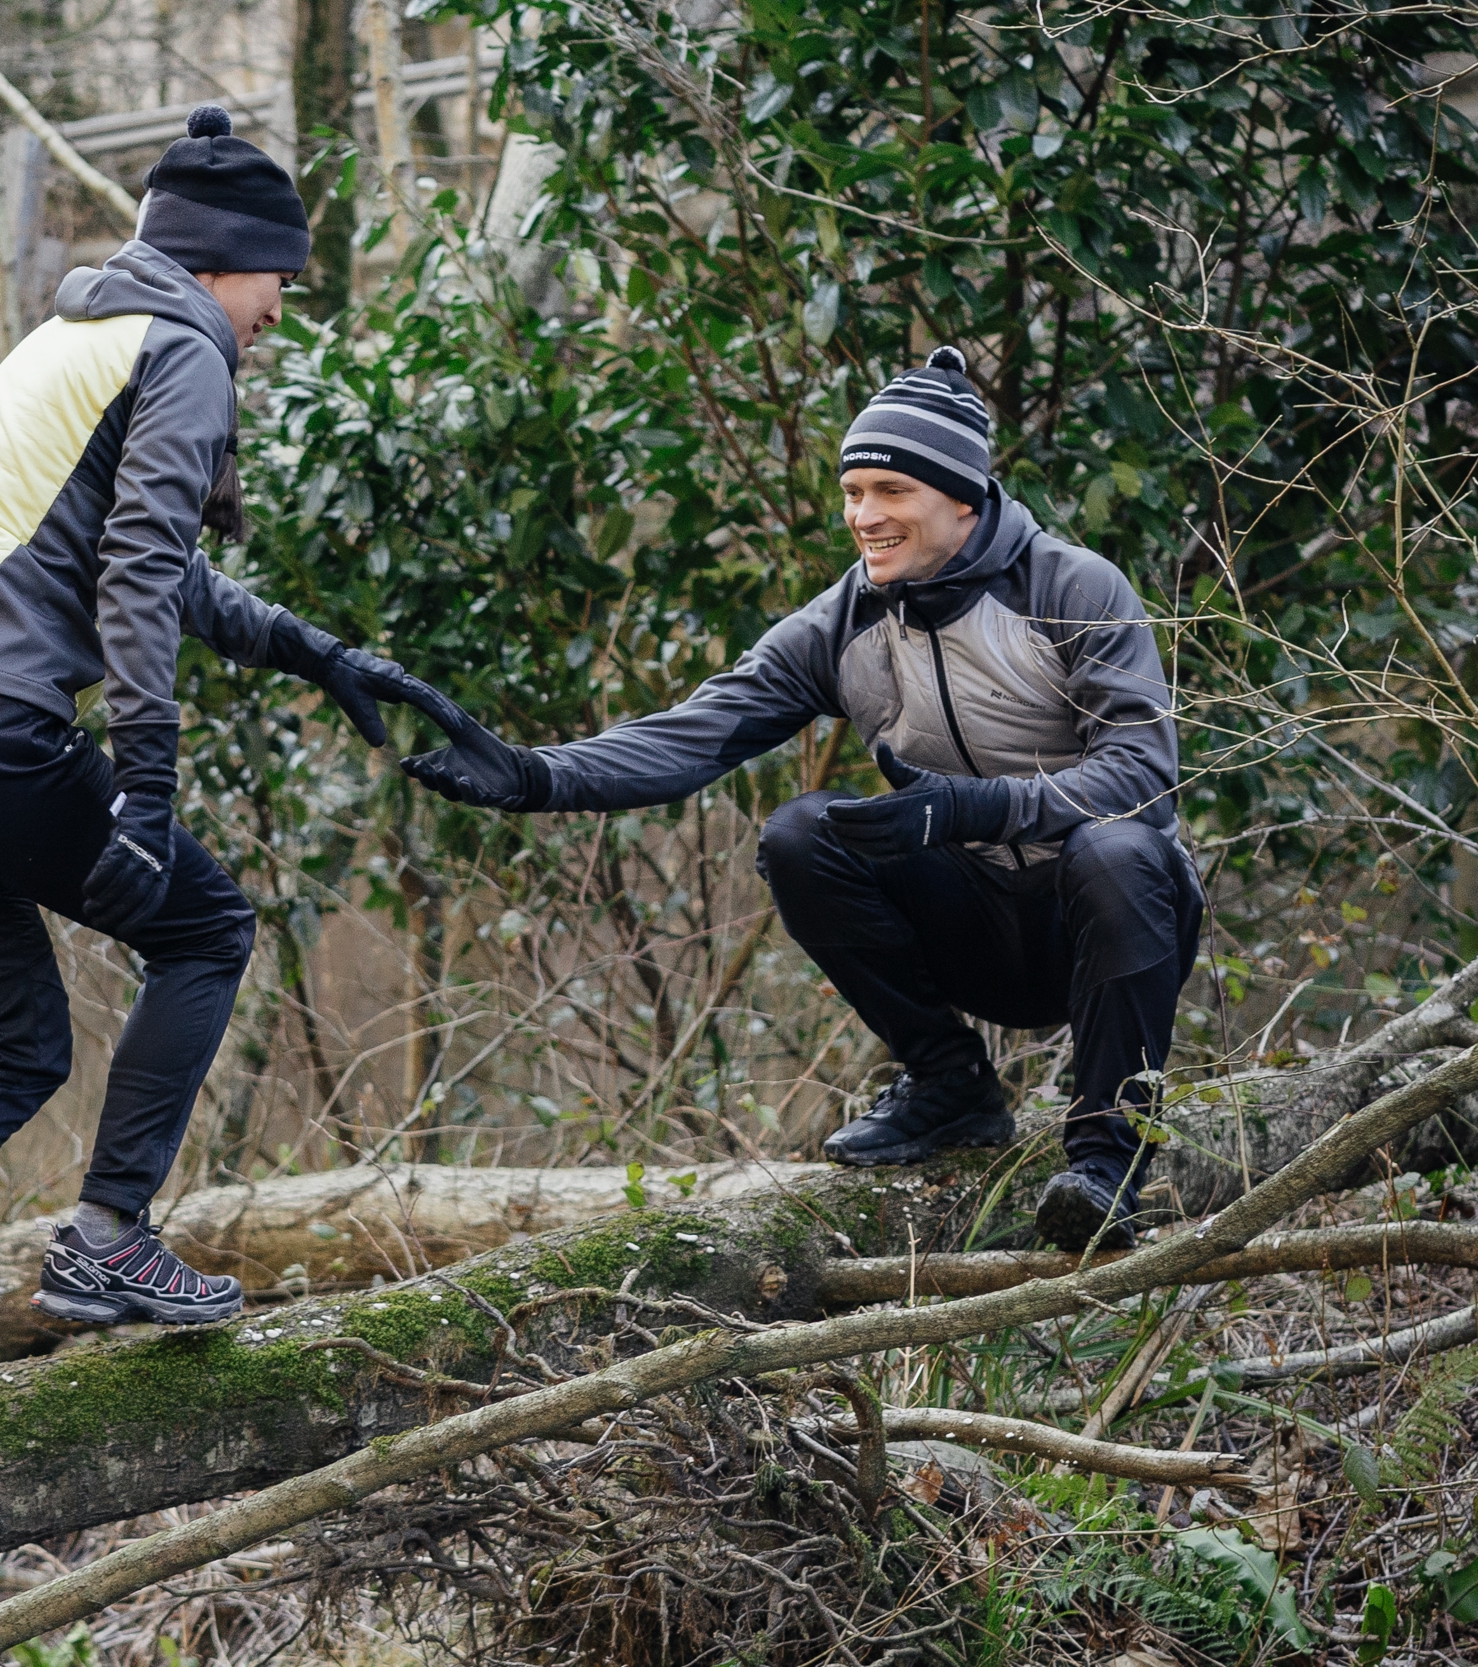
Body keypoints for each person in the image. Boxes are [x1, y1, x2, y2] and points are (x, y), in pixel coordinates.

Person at [0, 107, 449, 1394]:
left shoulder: (75, 333)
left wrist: (321, 654)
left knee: (15, 1037)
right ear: (214, 265)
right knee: (202, 926)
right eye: (277, 282)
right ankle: (111, 1240)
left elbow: (145, 565)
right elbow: (137, 571)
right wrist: (147, 776)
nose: (281, 314)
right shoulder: (182, 347)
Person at [400, 347, 1201, 1253]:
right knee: (801, 836)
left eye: (890, 491)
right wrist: (535, 775)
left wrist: (970, 807)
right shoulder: (846, 620)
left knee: (1119, 846)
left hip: (1111, 930)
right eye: (853, 492)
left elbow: (1145, 773)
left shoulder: (1071, 587)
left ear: (963, 500)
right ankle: (952, 1088)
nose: (864, 516)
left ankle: (1107, 1158)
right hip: (981, 932)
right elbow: (697, 732)